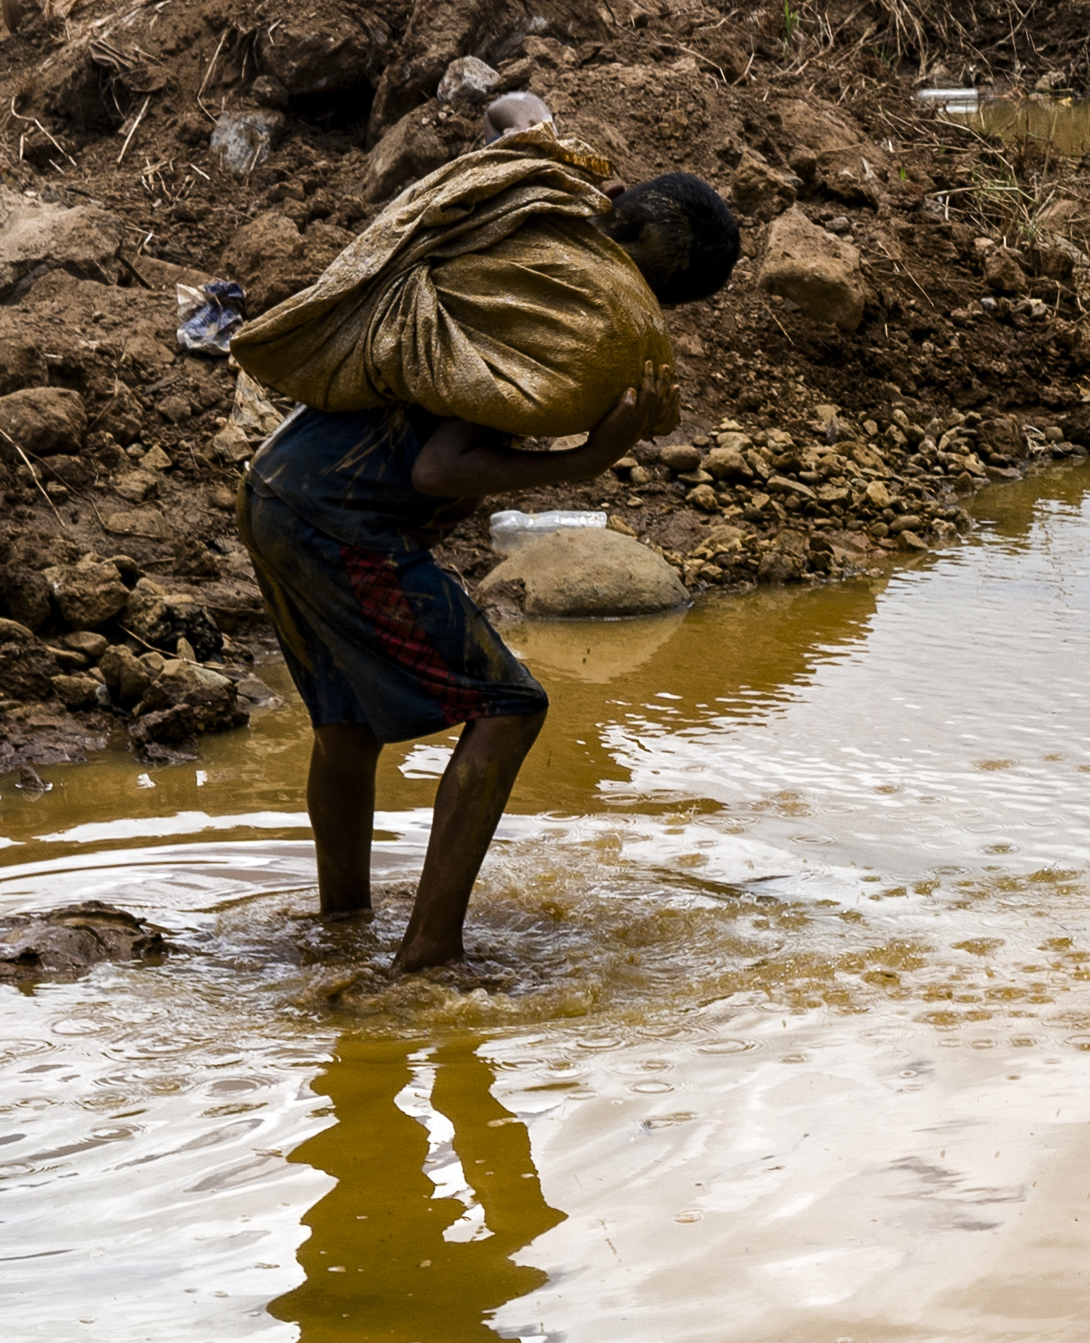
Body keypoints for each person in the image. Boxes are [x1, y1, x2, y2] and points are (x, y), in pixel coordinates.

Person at [238, 162, 743, 974]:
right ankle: (430, 953)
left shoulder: (519, 250)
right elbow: (438, 468)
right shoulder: (561, 318)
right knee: (510, 708)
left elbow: (515, 115)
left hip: (276, 486)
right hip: (342, 518)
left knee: (348, 726)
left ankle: (342, 926)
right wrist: (589, 458)